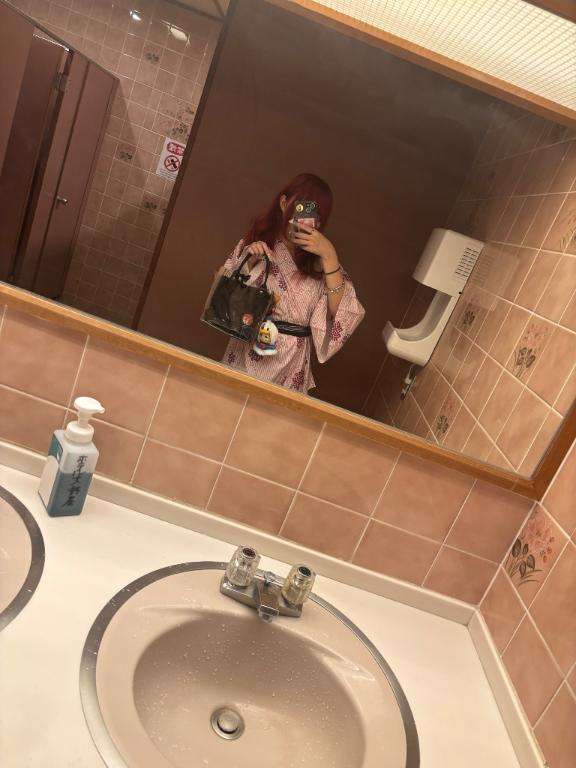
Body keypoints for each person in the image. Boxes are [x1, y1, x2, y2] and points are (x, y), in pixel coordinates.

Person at [220, 173, 365, 393]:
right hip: (249, 351)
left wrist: (329, 256)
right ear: (284, 203)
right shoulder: (257, 242)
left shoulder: (323, 262)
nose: (306, 220)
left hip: (291, 364)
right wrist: (249, 261)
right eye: (302, 209)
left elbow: (342, 314)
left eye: (315, 215)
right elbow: (225, 291)